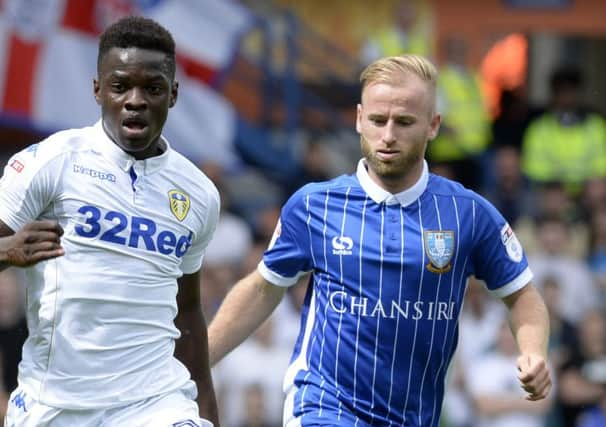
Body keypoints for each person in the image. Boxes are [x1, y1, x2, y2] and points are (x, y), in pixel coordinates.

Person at [208, 54, 551, 426]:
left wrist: (533, 352)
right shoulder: (313, 205)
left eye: (404, 122)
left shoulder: (468, 213)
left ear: (433, 125)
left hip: (413, 416)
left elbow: (522, 295)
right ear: (359, 119)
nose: (388, 135)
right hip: (323, 407)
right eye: (377, 120)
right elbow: (263, 288)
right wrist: (199, 359)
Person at [0, 16, 220, 427]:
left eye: (152, 88)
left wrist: (207, 411)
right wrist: (5, 251)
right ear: (98, 90)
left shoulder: (198, 192)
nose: (135, 100)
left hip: (156, 402)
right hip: (57, 405)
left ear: (172, 94)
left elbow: (187, 311)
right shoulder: (52, 162)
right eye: (120, 86)